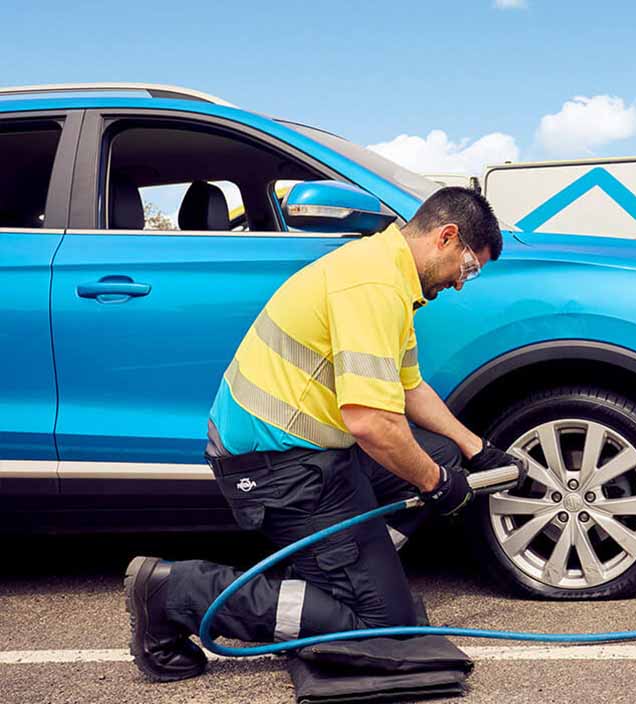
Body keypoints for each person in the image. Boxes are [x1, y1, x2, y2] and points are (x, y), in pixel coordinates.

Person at [124, 187, 526, 682]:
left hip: (309, 455)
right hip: (279, 468)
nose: (462, 285)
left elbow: (409, 388)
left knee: (440, 452)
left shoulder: (388, 273)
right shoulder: (371, 287)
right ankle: (176, 591)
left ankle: (333, 573)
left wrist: (475, 450)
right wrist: (438, 484)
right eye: (468, 269)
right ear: (447, 237)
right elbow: (371, 423)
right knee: (382, 631)